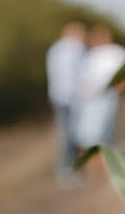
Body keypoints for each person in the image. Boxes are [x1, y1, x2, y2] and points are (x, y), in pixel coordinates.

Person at [73, 26, 125, 150]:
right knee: (87, 136)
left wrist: (119, 88)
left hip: (107, 96)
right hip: (88, 99)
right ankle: (93, 163)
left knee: (104, 133)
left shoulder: (116, 52)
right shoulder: (90, 54)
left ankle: (106, 163)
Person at [46, 22, 86, 188]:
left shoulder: (74, 49)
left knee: (74, 134)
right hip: (65, 98)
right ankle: (66, 171)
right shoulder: (62, 50)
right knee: (67, 135)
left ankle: (74, 168)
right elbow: (68, 76)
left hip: (73, 98)